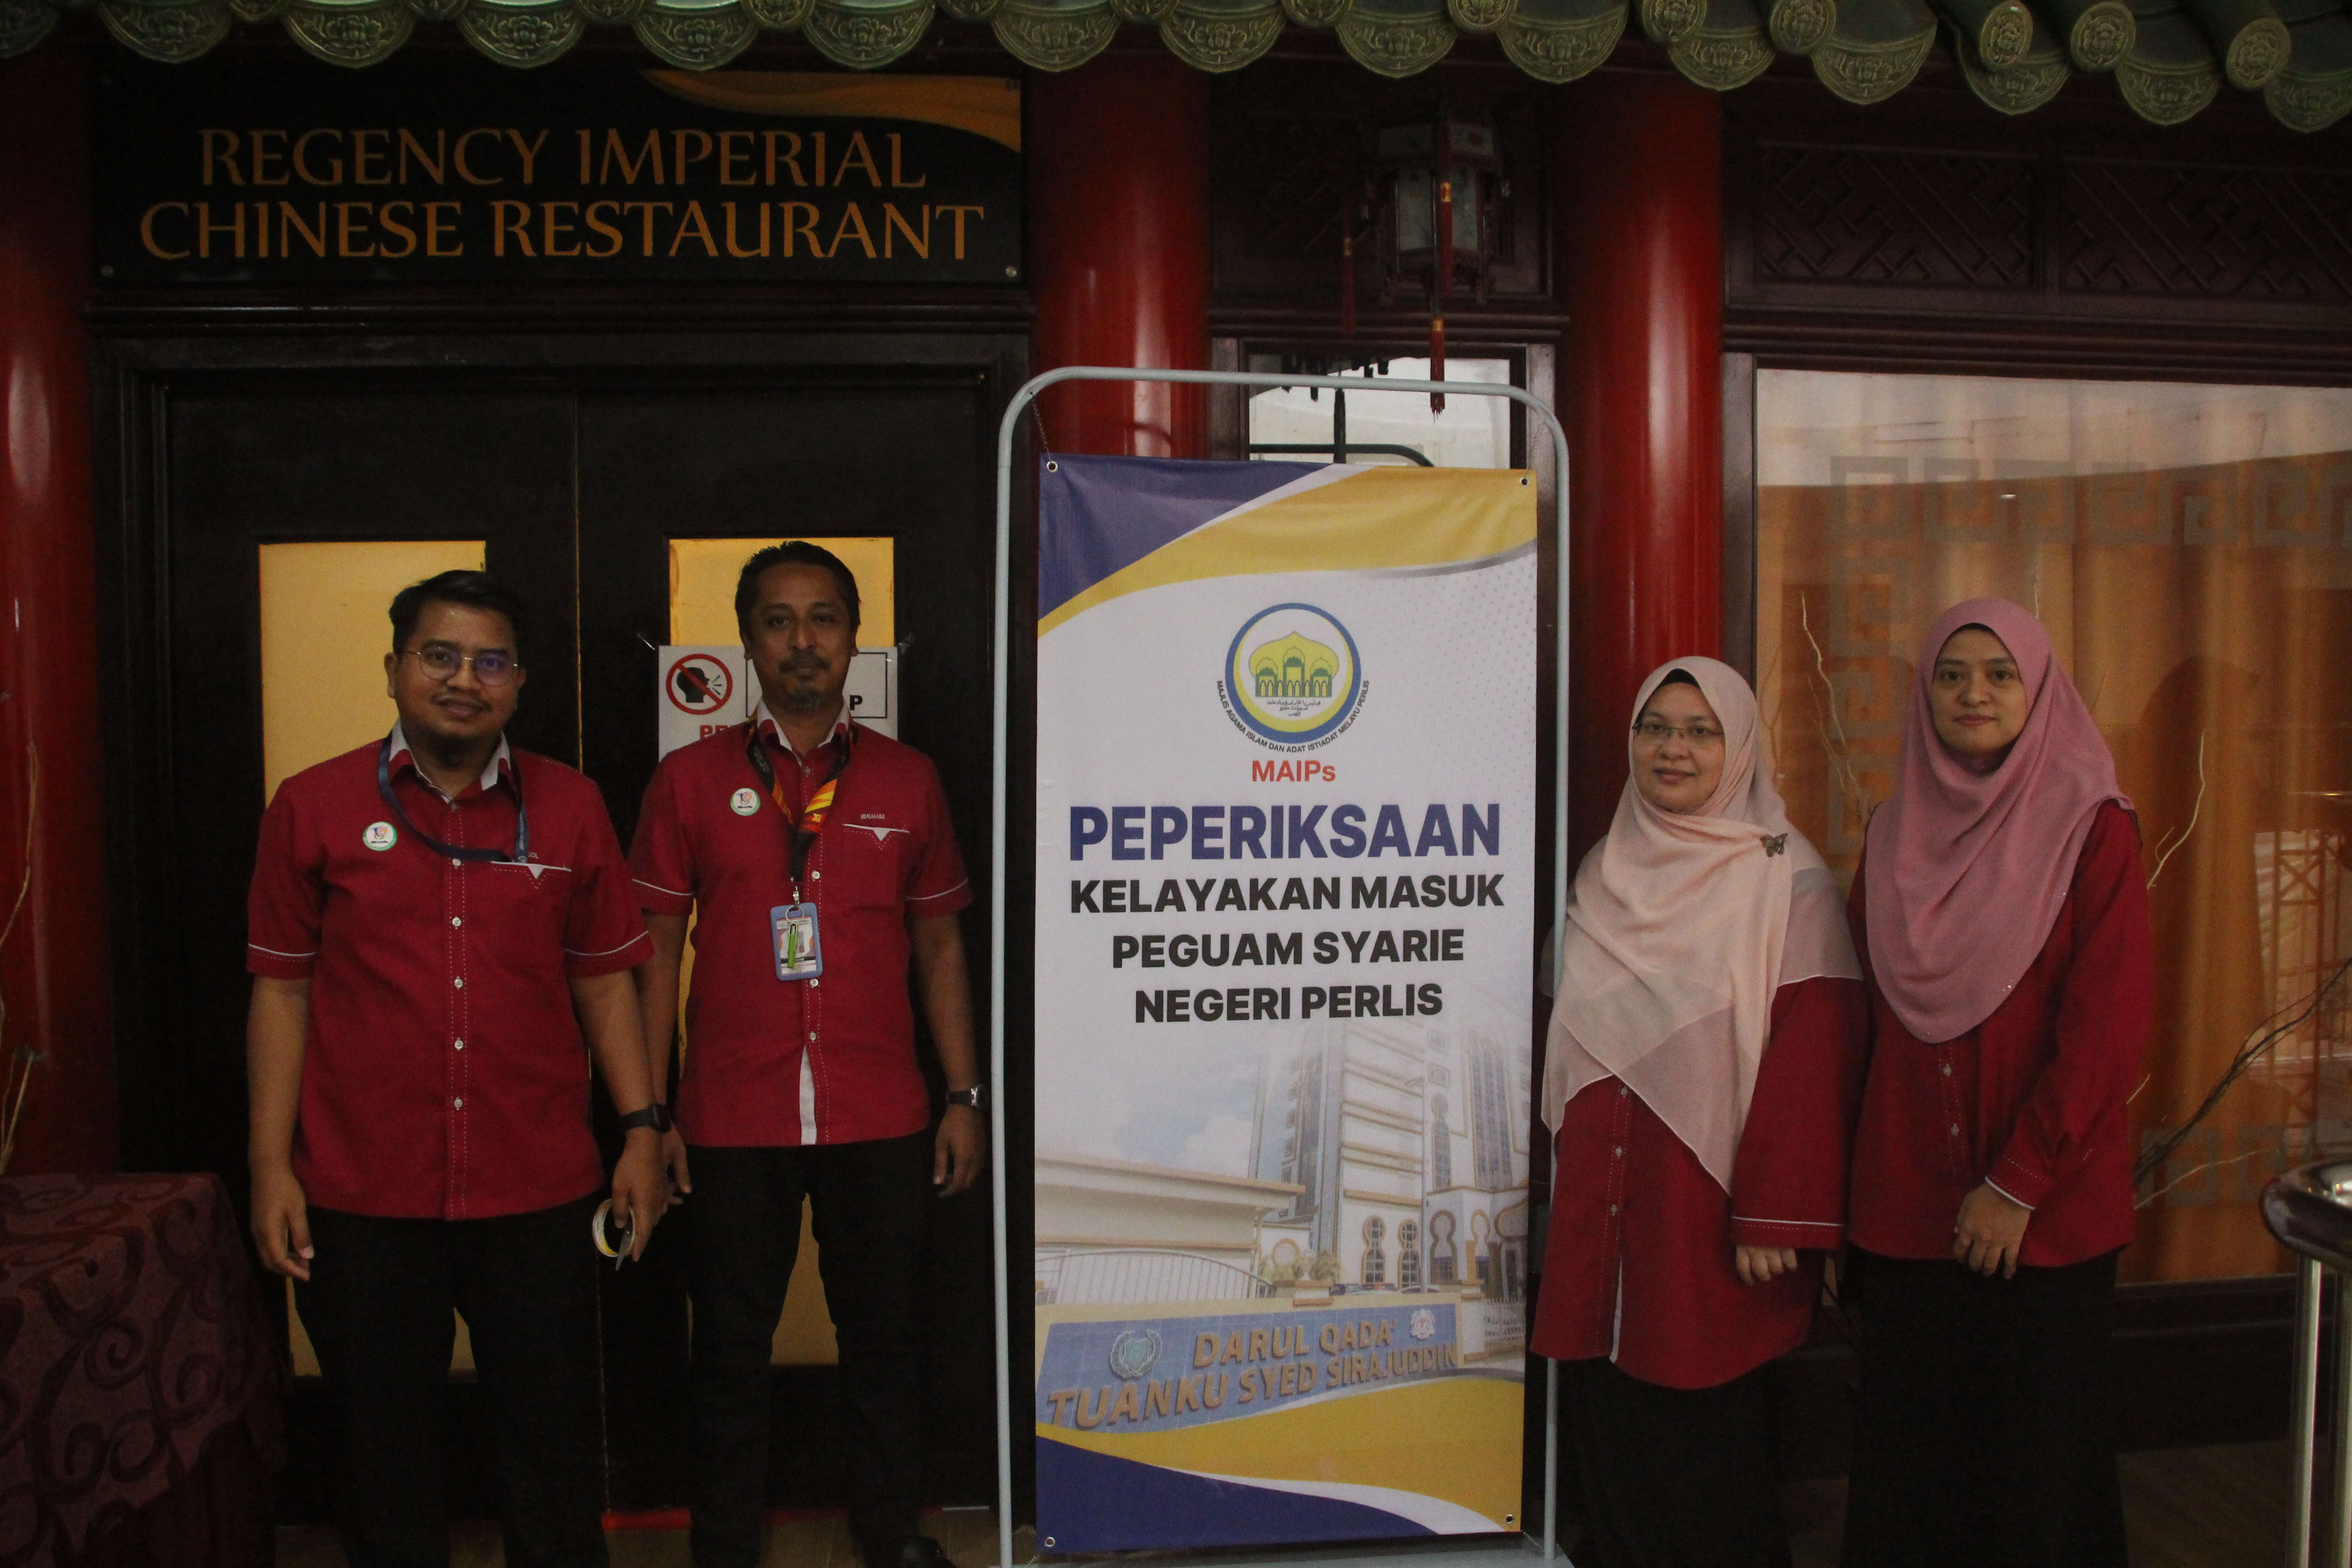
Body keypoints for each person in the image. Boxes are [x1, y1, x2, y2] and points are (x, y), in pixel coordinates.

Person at [246, 569, 670, 1568]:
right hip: (363, 1190)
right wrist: (269, 1166)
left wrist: (643, 1132)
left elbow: (607, 983)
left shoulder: (570, 806)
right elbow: (281, 993)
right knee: (382, 1459)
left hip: (536, 1188)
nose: (463, 680)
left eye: (490, 662)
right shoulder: (312, 806)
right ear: (394, 669)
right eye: (439, 656)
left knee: (552, 1453)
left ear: (518, 683)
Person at [628, 541, 985, 1568]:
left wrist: (963, 1094)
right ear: (748, 643)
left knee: (886, 1347)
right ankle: (725, 1549)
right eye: (778, 621)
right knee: (728, 1356)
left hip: (880, 1112)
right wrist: (651, 1117)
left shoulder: (909, 781)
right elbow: (653, 953)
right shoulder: (689, 782)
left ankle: (889, 1535)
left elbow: (940, 945)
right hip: (730, 1118)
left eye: (823, 619)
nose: (802, 641)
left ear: (854, 640)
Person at [1533, 658, 1868, 1568]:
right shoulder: (1604, 868)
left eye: (1700, 731)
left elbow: (1815, 1056)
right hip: (1605, 1194)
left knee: (1704, 1423)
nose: (1672, 749)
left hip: (1710, 1205)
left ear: (1740, 747)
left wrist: (1777, 1213)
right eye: (1655, 729)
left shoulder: (1787, 881)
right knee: (1609, 1407)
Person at [1840, 598, 2151, 1568]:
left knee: (2040, 1474)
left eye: (2000, 674)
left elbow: (2107, 1032)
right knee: (1915, 1473)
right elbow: (1861, 1026)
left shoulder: (2093, 830)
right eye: (1951, 675)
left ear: (2039, 689)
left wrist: (2017, 1185)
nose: (1973, 694)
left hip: (2044, 1221)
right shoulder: (1892, 834)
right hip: (1907, 1213)